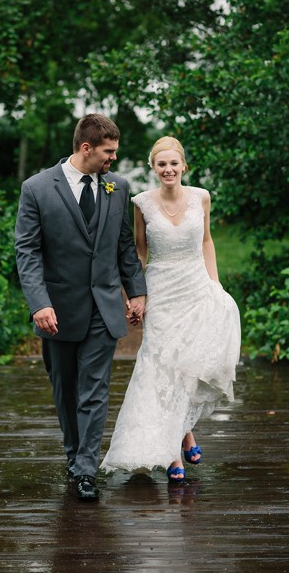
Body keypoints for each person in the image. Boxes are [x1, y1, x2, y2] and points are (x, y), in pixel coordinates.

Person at [15, 113, 148, 501]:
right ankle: (74, 454)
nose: (113, 160)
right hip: (56, 310)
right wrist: (39, 303)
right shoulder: (37, 188)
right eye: (108, 152)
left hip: (103, 308)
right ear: (86, 148)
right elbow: (27, 251)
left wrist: (135, 291)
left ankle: (87, 469)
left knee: (95, 390)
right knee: (66, 391)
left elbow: (124, 245)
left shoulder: (117, 188)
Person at [100, 136, 240, 483]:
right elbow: (141, 252)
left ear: (183, 166)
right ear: (153, 168)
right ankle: (175, 450)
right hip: (161, 290)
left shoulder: (201, 197)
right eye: (161, 164)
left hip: (195, 287)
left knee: (189, 364)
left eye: (174, 163)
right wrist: (135, 295)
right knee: (160, 367)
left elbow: (207, 241)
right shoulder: (142, 203)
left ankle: (183, 431)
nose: (168, 169)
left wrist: (215, 283)